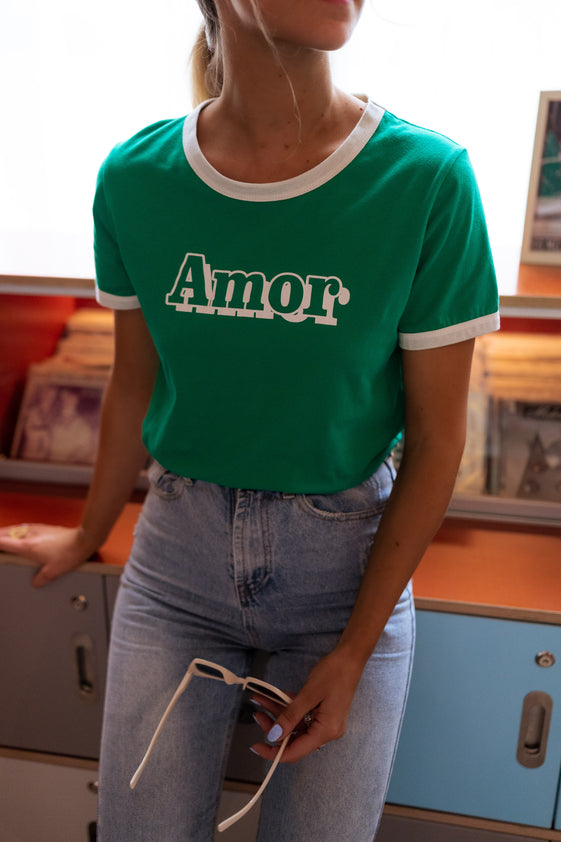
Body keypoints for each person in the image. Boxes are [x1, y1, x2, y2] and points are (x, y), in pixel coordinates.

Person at [0, 1, 500, 839]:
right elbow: (133, 382)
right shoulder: (135, 176)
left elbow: (437, 439)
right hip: (176, 563)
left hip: (346, 578)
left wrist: (353, 651)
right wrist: (87, 534)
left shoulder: (426, 177)